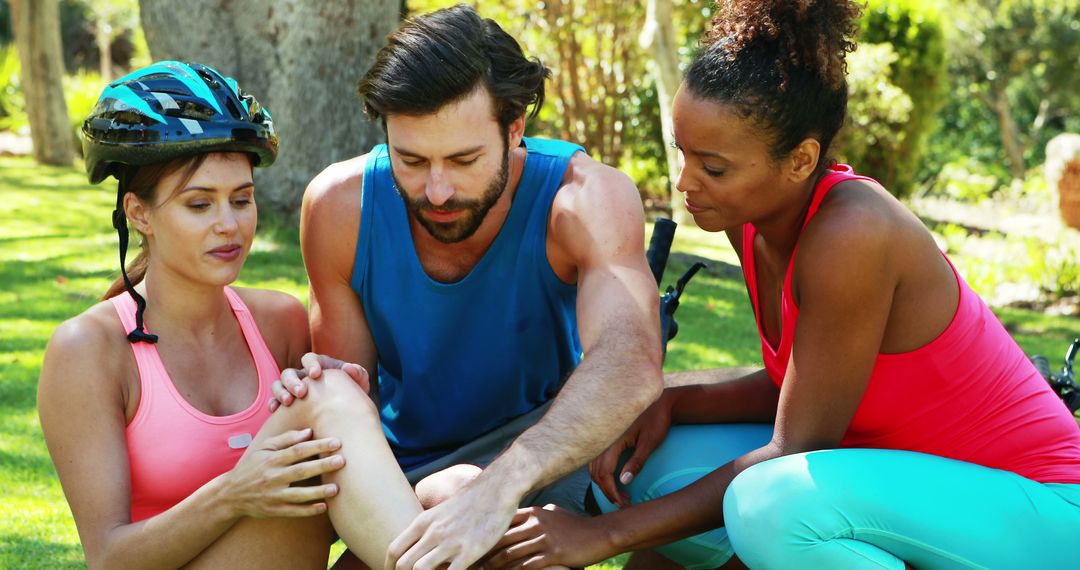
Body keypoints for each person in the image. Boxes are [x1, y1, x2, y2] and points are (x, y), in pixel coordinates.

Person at [483, 2, 1080, 569]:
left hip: (1040, 510)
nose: (686, 181)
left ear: (800, 160)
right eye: (682, 153)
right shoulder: (750, 223)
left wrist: (598, 536)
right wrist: (669, 399)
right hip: (903, 485)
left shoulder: (853, 234)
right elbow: (802, 389)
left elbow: (793, 451)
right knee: (642, 461)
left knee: (769, 507)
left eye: (714, 167)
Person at [273, 4, 663, 568]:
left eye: (463, 160)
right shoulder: (339, 208)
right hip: (406, 468)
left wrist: (497, 486)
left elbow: (630, 360)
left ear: (515, 129)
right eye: (410, 159)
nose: (436, 191)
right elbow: (351, 395)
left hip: (550, 447)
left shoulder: (584, 197)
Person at [38, 61, 423, 569]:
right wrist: (234, 493)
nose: (230, 225)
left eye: (241, 199)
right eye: (199, 205)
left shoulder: (279, 322)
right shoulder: (87, 351)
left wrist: (351, 403)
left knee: (438, 481)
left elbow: (338, 501)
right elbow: (108, 558)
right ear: (138, 213)